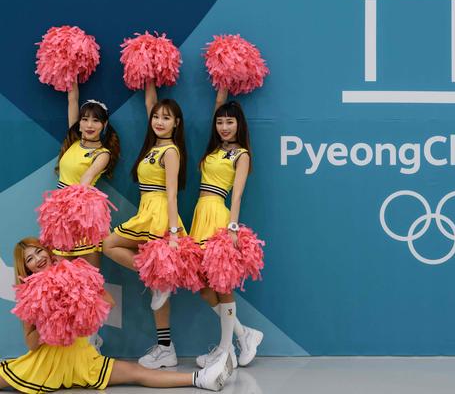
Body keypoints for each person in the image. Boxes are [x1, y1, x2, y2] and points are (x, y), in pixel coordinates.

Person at [0, 238, 232, 393]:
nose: (38, 258)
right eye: (30, 258)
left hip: (82, 357)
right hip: (46, 363)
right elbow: (31, 344)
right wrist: (51, 318)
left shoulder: (78, 272)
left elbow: (108, 303)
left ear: (48, 251)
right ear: (26, 268)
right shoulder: (29, 295)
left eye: (38, 251)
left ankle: (201, 378)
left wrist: (79, 304)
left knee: (137, 373)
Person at [103, 81, 186, 368]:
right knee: (116, 250)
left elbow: (173, 193)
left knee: (111, 245)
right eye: (156, 117)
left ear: (176, 123)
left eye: (166, 117)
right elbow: (150, 102)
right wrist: (148, 74)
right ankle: (167, 346)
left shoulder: (171, 151)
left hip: (160, 213)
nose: (159, 121)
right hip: (145, 210)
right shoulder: (153, 146)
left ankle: (166, 347)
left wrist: (174, 233)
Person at [190, 88, 263, 370]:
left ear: (239, 124)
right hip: (200, 214)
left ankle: (225, 350)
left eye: (230, 122)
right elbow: (218, 105)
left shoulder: (241, 154)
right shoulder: (214, 148)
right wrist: (220, 84)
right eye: (220, 122)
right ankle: (243, 336)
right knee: (205, 288)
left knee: (222, 284)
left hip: (219, 216)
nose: (224, 127)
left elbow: (237, 195)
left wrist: (232, 228)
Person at [53, 81, 120, 268]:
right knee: (62, 273)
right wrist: (70, 66)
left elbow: (86, 179)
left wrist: (70, 209)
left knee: (90, 279)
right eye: (85, 119)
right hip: (60, 212)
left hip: (83, 214)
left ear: (104, 124)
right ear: (80, 123)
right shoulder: (73, 139)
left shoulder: (103, 153)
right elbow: (72, 98)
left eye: (96, 120)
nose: (89, 125)